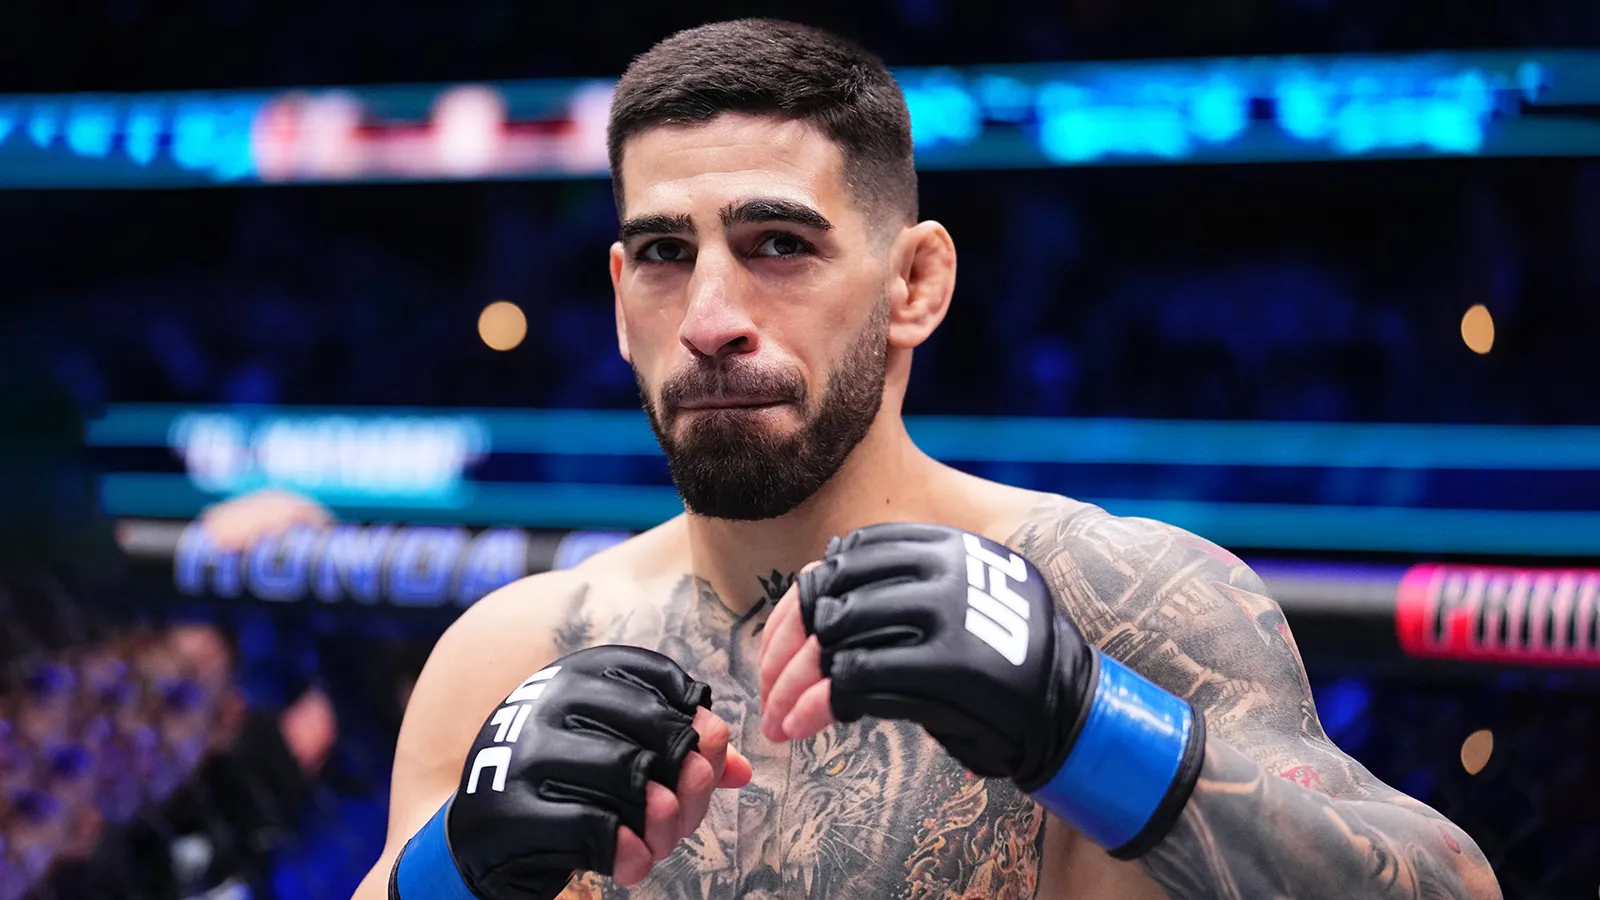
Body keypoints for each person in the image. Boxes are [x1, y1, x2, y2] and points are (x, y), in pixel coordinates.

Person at [356, 18, 1500, 900]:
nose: (709, 318)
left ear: (914, 283)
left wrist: (1090, 728)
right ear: (619, 299)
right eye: (663, 252)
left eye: (778, 244)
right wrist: (449, 869)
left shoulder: (1117, 600)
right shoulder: (515, 649)